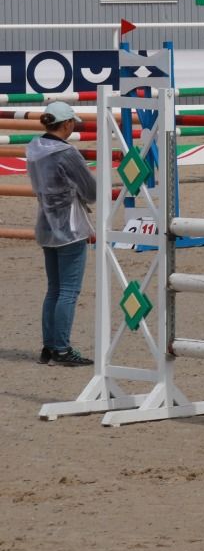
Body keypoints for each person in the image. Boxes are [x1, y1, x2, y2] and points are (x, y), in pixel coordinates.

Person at [25, 101, 95, 367]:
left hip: (45, 223)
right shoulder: (67, 153)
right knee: (68, 291)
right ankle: (63, 348)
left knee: (53, 288)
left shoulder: (34, 148)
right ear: (66, 123)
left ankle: (49, 346)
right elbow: (91, 191)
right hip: (71, 225)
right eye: (72, 123)